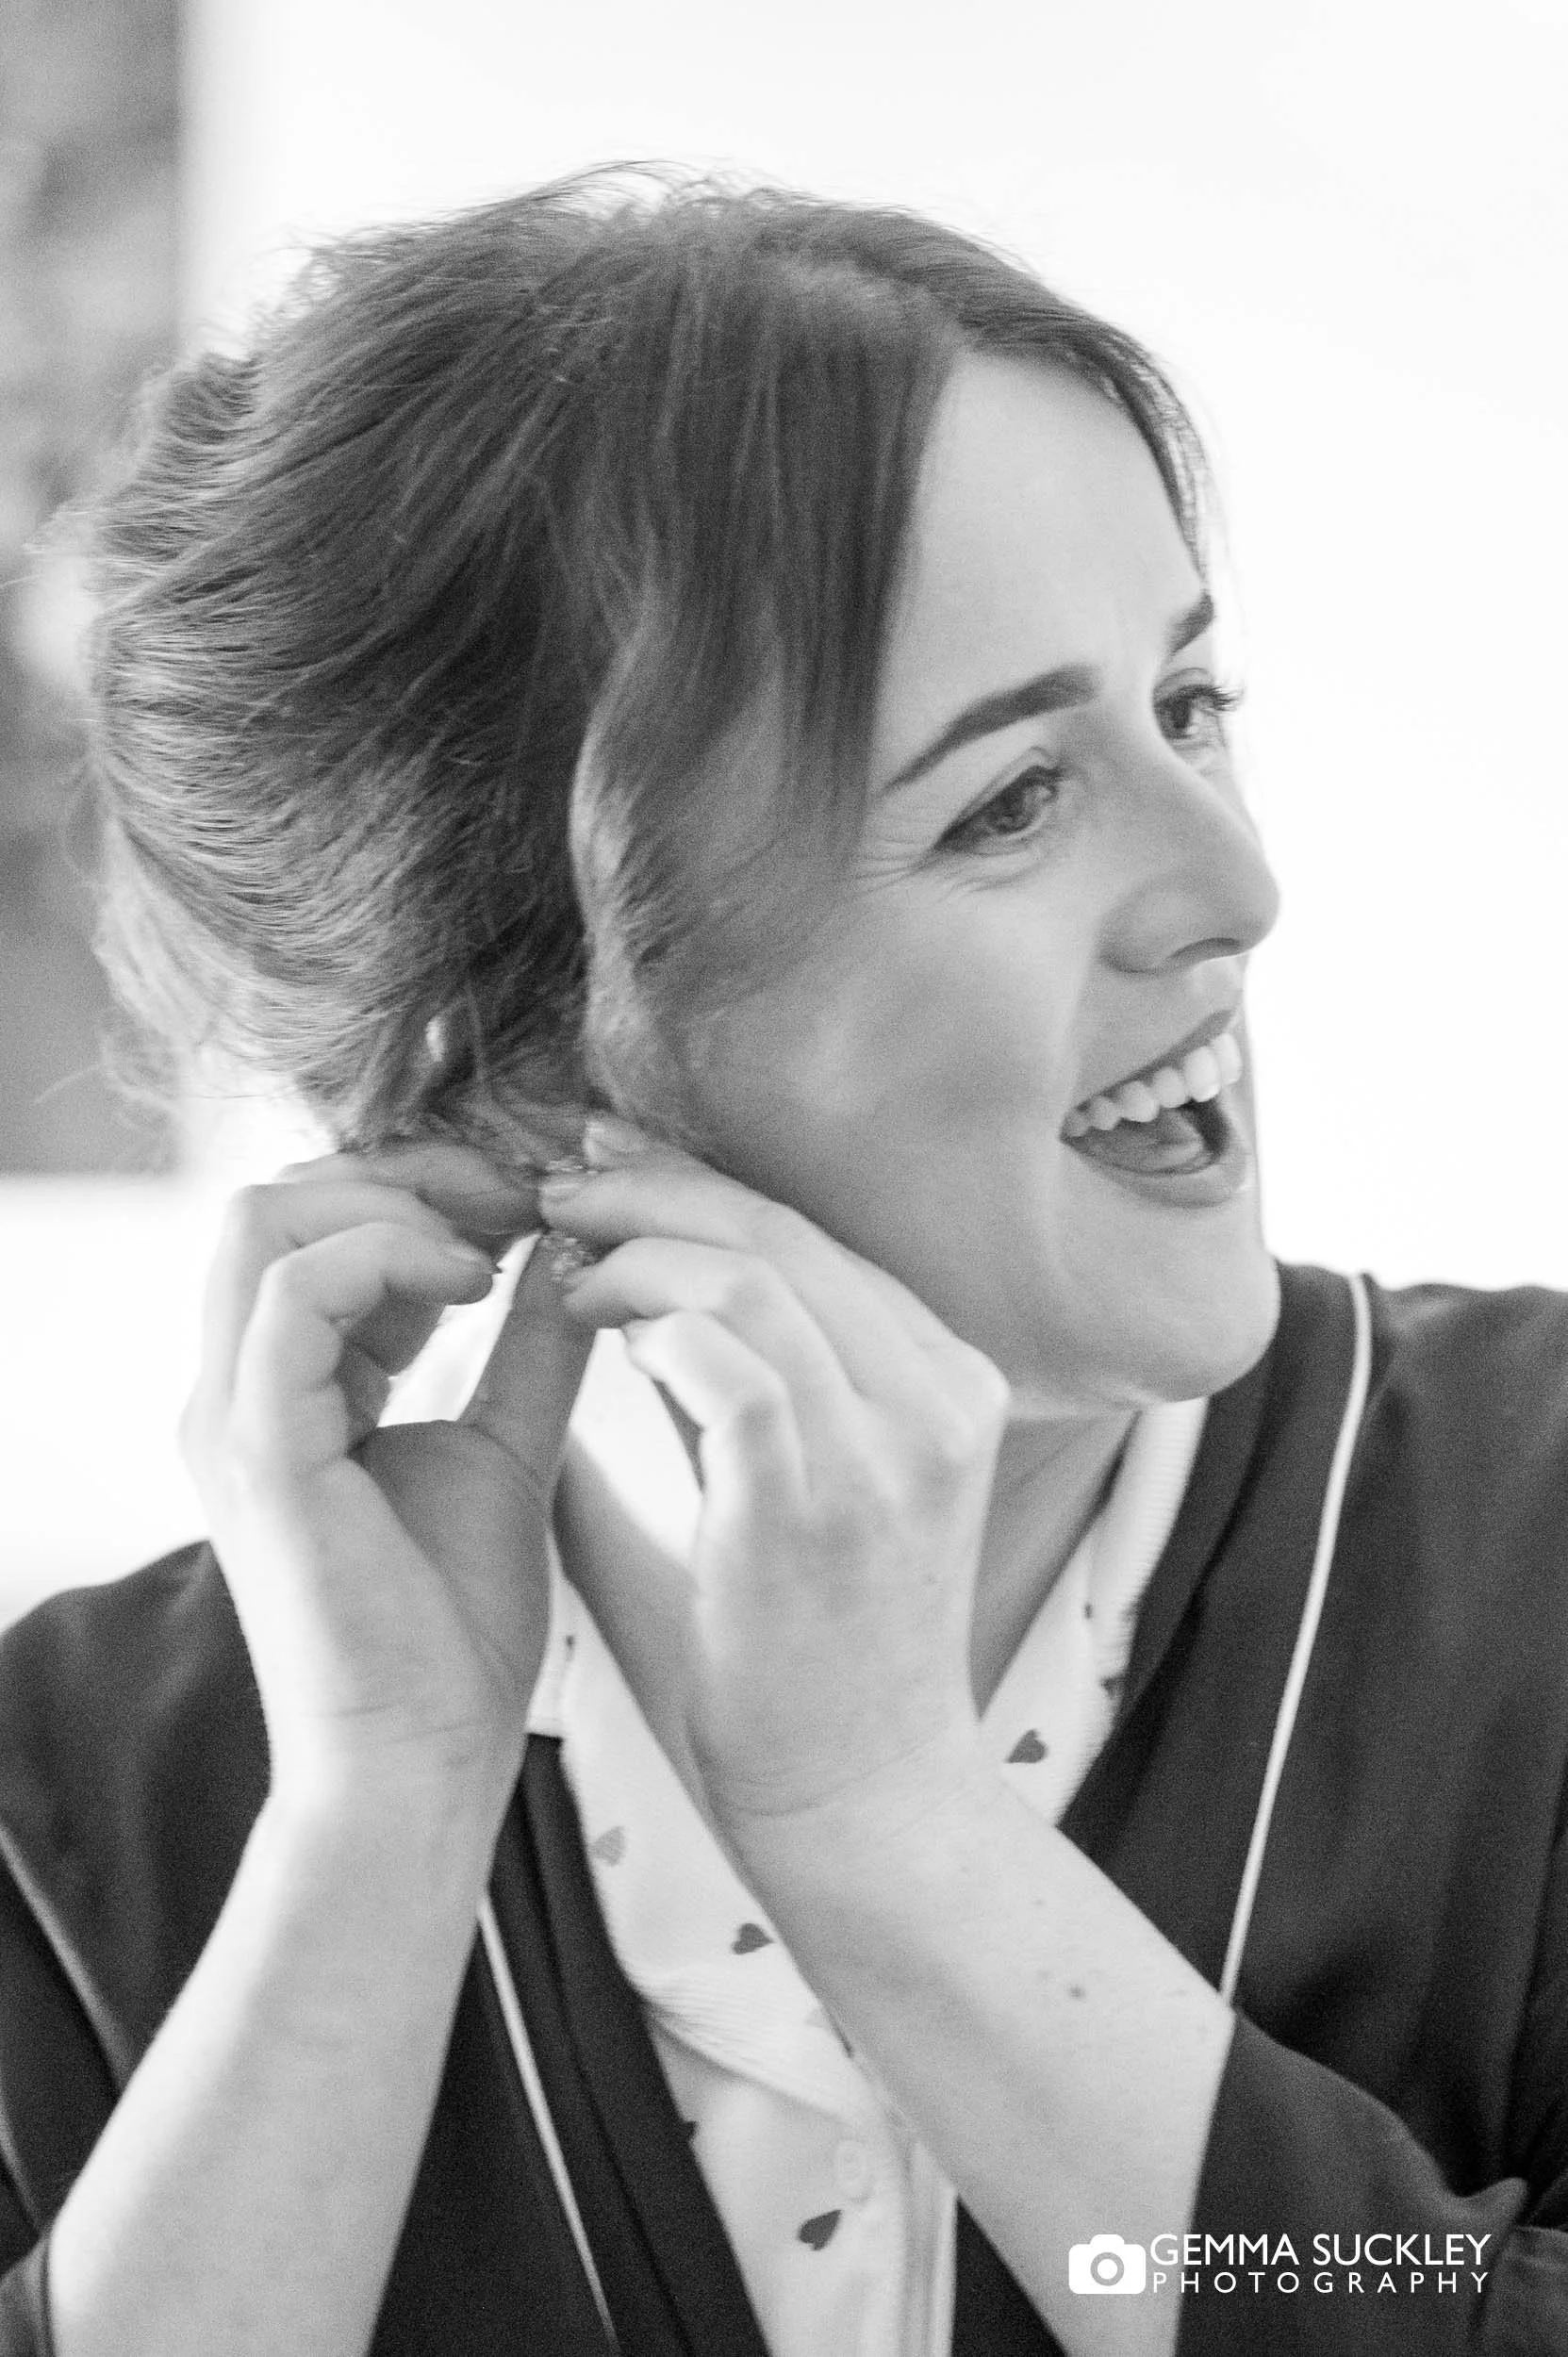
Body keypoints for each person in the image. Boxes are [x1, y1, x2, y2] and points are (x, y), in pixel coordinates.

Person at [1, 170, 1564, 2357]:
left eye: (1191, 703)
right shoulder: (76, 1810)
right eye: (1011, 800)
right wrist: (373, 1832)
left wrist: (901, 1840)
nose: (1237, 882)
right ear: (526, 1061)